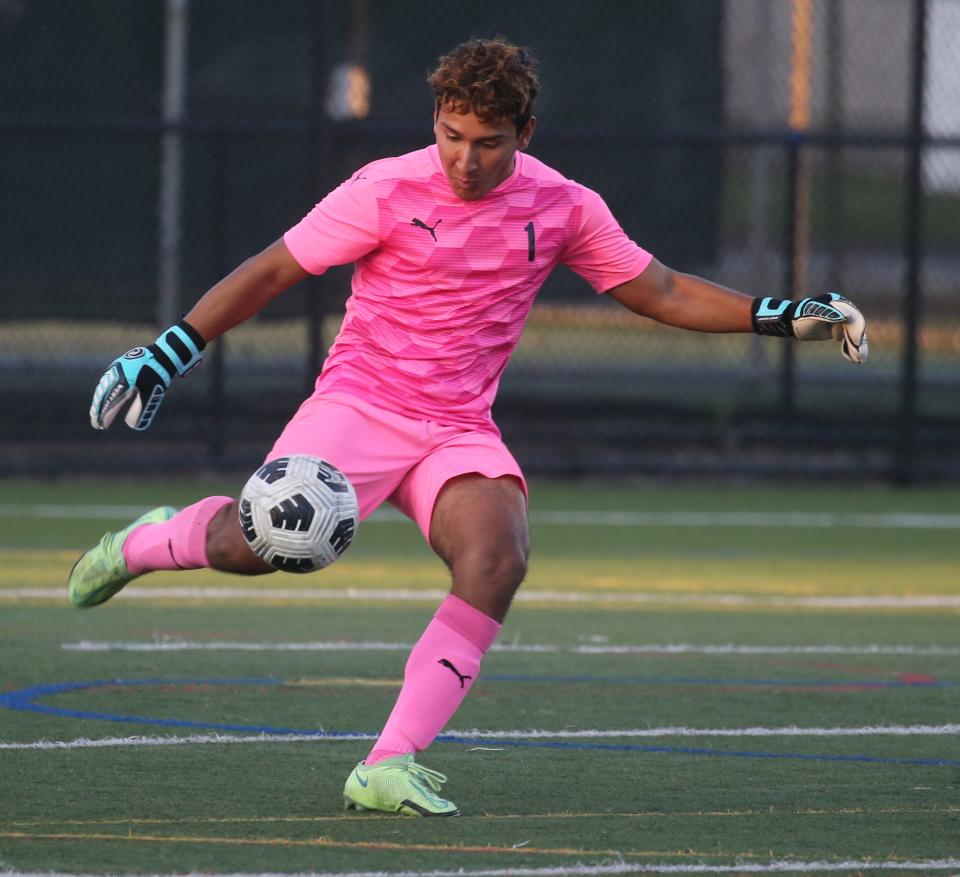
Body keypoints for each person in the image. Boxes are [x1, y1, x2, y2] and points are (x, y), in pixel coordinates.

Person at [68, 37, 868, 817]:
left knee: (497, 555)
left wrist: (779, 314)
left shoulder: (563, 205)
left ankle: (387, 763)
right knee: (253, 552)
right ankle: (142, 543)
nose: (465, 159)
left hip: (455, 427)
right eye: (451, 135)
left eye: (488, 142)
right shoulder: (384, 188)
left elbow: (656, 288)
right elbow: (274, 268)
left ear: (525, 134)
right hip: (358, 404)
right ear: (436, 122)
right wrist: (167, 351)